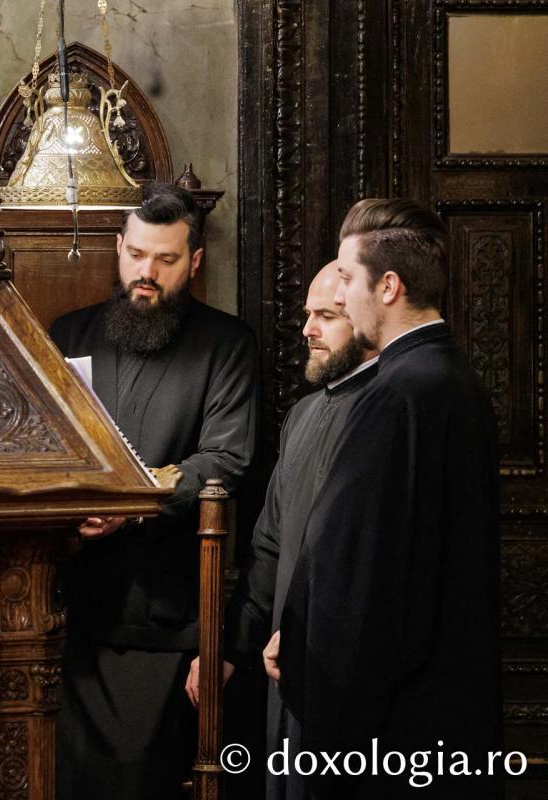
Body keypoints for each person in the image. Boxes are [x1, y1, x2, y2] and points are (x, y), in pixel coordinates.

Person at [277, 199, 502, 798]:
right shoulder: (455, 379)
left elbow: (358, 574)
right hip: (447, 707)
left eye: (347, 279)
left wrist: (301, 646)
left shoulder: (395, 396)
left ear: (389, 286)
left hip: (393, 732)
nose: (341, 296)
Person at [49, 182, 259, 798]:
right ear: (118, 249)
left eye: (166, 259)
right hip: (70, 607)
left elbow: (226, 459)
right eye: (138, 254)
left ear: (194, 262)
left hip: (166, 614)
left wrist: (129, 508)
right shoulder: (69, 333)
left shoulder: (227, 344)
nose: (148, 272)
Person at [187, 261, 379, 800]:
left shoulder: (386, 412)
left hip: (344, 667)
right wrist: (227, 647)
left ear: (368, 318)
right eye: (307, 315)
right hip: (285, 665)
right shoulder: (304, 414)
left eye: (327, 317)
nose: (308, 330)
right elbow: (269, 548)